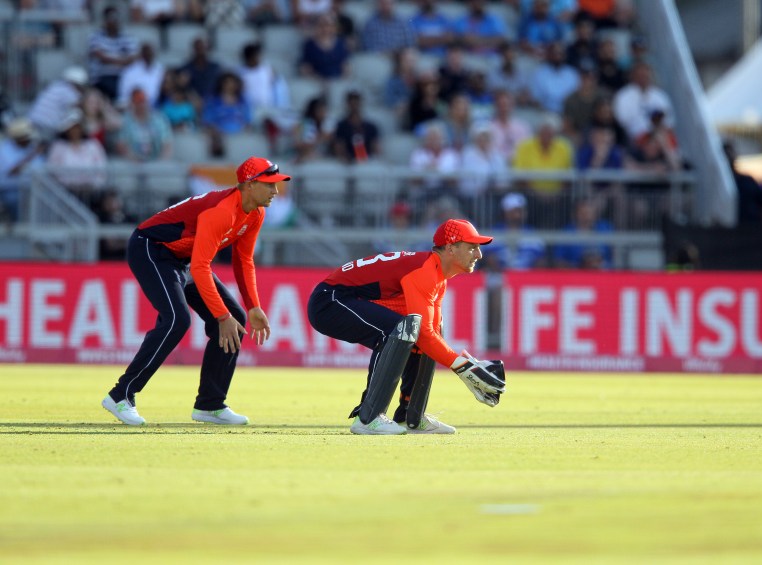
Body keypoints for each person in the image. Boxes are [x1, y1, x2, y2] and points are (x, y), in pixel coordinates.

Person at [101, 156, 290, 426]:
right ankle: (121, 396)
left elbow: (243, 261)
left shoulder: (256, 213)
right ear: (249, 184)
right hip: (151, 249)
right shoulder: (222, 211)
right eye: (269, 184)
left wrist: (253, 306)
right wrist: (221, 317)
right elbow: (201, 267)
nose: (275, 191)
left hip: (183, 258)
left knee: (236, 318)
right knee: (176, 320)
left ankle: (210, 405)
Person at [307, 218, 507, 435]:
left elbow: (429, 334)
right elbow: (425, 334)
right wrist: (463, 367)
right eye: (472, 247)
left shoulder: (437, 276)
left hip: (342, 297)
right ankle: (368, 417)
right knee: (398, 330)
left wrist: (464, 364)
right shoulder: (425, 271)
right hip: (329, 301)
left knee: (423, 331)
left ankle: (411, 417)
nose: (479, 255)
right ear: (450, 248)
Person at [88, 5, 140, 101]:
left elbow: (134, 56)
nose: (114, 21)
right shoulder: (96, 36)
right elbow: (100, 56)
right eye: (111, 18)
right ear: (105, 20)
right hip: (102, 77)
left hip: (122, 76)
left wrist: (111, 59)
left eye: (116, 17)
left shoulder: (126, 36)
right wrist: (123, 61)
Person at [28, 66, 89, 141]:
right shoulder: (69, 90)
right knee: (76, 114)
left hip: (33, 121)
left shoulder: (55, 86)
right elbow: (81, 105)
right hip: (46, 126)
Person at [723, 140, 762, 226]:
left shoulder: (747, 181)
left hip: (752, 227)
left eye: (730, 154)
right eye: (726, 155)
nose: (729, 157)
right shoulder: (719, 187)